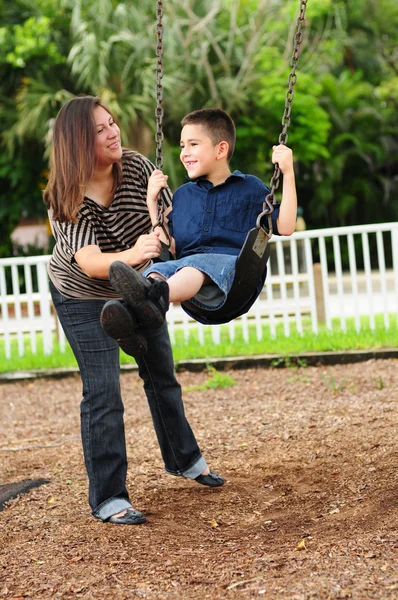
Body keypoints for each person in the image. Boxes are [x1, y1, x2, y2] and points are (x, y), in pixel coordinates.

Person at [43, 96, 224, 527]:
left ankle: (185, 459)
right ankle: (108, 497)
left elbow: (164, 225)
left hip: (135, 286)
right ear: (77, 141)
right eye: (101, 129)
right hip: (82, 295)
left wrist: (152, 220)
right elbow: (89, 261)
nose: (113, 132)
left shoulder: (138, 166)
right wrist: (134, 252)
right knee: (102, 390)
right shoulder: (64, 194)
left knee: (160, 369)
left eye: (113, 123)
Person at [104, 108, 297, 326]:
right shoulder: (183, 195)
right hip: (191, 282)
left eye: (193, 144)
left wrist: (288, 173)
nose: (184, 153)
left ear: (221, 149)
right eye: (182, 146)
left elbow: (286, 226)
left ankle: (156, 297)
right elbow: (172, 248)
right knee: (157, 271)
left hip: (232, 278)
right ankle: (129, 318)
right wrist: (152, 203)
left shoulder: (250, 188)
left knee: (193, 267)